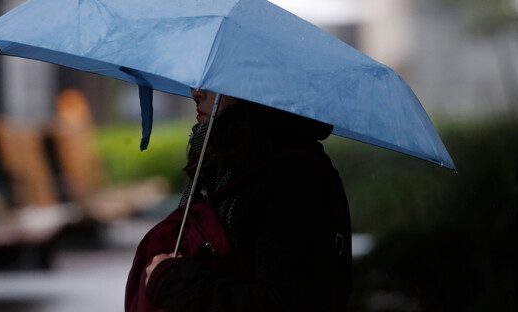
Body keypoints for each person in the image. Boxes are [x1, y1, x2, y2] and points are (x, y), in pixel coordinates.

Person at [127, 88, 352, 312]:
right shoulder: (214, 159)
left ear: (253, 85)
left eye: (215, 83)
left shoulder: (293, 179)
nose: (196, 92)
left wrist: (175, 281)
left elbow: (285, 301)